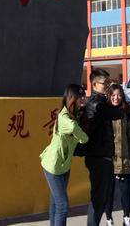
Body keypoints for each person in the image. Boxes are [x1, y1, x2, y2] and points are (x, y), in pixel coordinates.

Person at [40, 84, 90, 226]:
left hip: (64, 164)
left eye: (84, 96)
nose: (83, 99)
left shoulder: (72, 113)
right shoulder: (68, 120)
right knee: (62, 206)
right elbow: (84, 139)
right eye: (80, 97)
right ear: (72, 98)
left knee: (55, 203)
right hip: (54, 166)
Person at [84, 69, 124, 226]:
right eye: (105, 83)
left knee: (102, 197)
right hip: (98, 157)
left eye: (109, 82)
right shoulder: (96, 103)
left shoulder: (100, 102)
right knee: (99, 198)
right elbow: (117, 113)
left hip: (102, 155)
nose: (108, 86)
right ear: (94, 84)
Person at [104, 84, 130, 226]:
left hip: (123, 158)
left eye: (119, 95)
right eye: (113, 95)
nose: (116, 98)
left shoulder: (126, 113)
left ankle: (126, 218)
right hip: (109, 159)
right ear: (109, 96)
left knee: (125, 191)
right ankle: (109, 219)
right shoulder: (105, 112)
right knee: (109, 191)